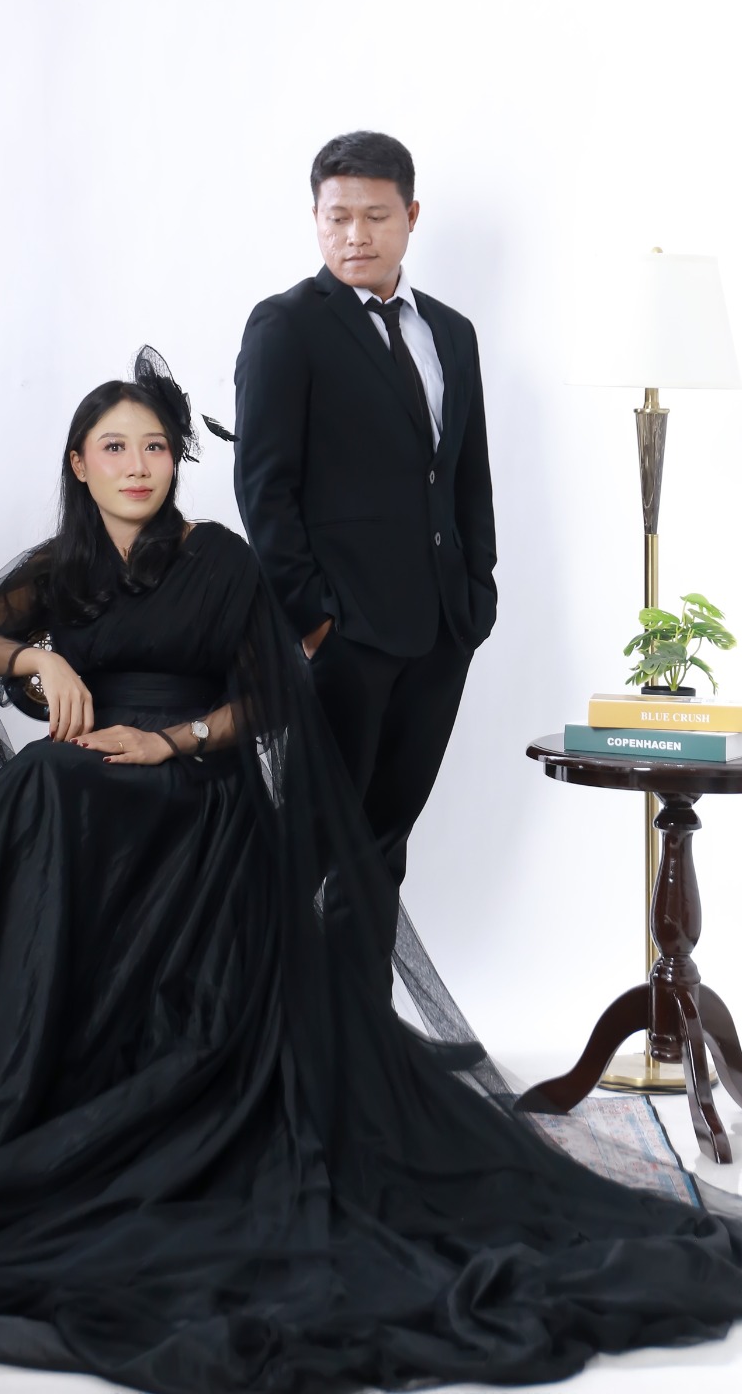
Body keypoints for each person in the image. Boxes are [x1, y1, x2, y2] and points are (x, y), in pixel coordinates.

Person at [0, 350, 742, 1391]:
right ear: (79, 463)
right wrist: (39, 656)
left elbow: (275, 697)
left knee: (54, 786)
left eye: (154, 447)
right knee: (44, 783)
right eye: (114, 448)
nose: (137, 465)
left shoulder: (216, 557)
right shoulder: (61, 569)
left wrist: (170, 739)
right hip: (88, 795)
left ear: (175, 461)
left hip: (192, 796)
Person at [235, 130, 496, 972]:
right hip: (343, 636)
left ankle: (360, 1029)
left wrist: (478, 592)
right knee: (308, 843)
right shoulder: (287, 327)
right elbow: (264, 489)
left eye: (376, 216)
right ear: (315, 217)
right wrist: (314, 623)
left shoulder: (451, 332)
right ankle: (253, 1023)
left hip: (441, 630)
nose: (355, 235)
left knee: (383, 843)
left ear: (411, 216)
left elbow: (466, 474)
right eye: (337, 217)